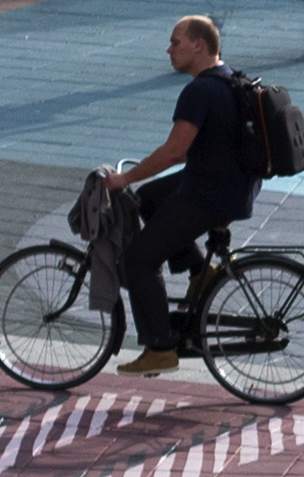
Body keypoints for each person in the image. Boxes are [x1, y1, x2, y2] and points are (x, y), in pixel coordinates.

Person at [103, 15, 262, 377]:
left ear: (199, 46)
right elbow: (204, 144)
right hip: (235, 187)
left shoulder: (198, 91)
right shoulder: (232, 79)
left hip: (210, 195)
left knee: (138, 261)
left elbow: (174, 152)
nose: (169, 49)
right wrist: (140, 179)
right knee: (148, 198)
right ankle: (198, 272)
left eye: (176, 42)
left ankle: (159, 347)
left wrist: (123, 177)